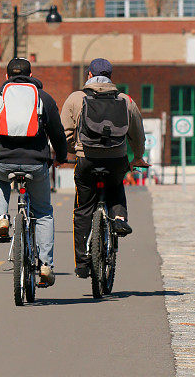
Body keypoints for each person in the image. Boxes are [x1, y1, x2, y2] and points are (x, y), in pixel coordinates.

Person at [0, 57, 67, 287]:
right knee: (44, 212)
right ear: (30, 75)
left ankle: (3, 217)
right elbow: (57, 132)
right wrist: (62, 156)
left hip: (4, 160)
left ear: (6, 77)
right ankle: (45, 265)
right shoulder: (43, 98)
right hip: (36, 164)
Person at [61, 57, 148, 279]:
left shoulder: (75, 98)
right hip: (116, 158)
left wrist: (75, 149)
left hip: (87, 160)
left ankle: (82, 263)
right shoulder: (125, 100)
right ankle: (119, 219)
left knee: (82, 210)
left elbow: (66, 133)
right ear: (111, 77)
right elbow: (137, 134)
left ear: (89, 75)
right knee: (116, 185)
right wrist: (137, 157)